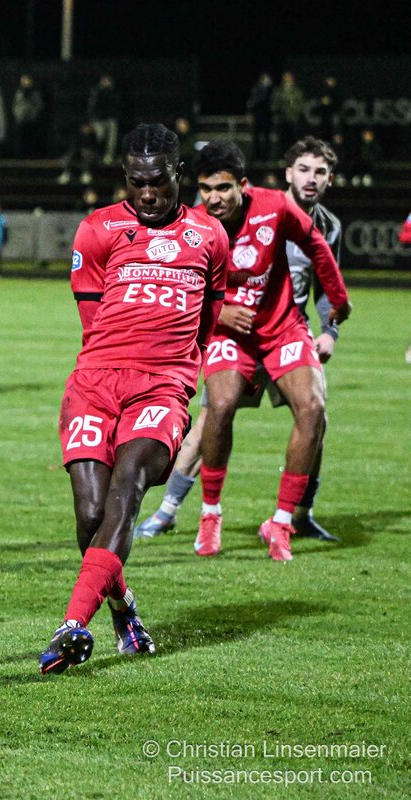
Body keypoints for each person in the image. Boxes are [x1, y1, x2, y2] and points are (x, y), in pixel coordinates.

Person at [39, 123, 228, 674]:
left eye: (159, 181)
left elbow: (207, 321)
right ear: (126, 176)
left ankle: (71, 625)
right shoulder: (97, 230)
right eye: (137, 182)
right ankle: (124, 612)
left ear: (178, 174)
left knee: (127, 489)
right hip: (95, 382)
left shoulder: (209, 235)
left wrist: (180, 375)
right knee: (90, 515)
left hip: (162, 385)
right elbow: (92, 321)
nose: (148, 193)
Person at [135, 137, 348, 543]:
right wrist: (219, 314)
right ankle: (169, 510)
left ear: (330, 179)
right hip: (235, 332)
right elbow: (182, 283)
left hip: (286, 328)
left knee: (314, 415)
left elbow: (324, 280)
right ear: (288, 174)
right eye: (304, 169)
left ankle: (299, 514)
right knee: (213, 415)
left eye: (320, 172)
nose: (311, 179)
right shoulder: (245, 212)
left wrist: (330, 329)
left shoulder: (327, 226)